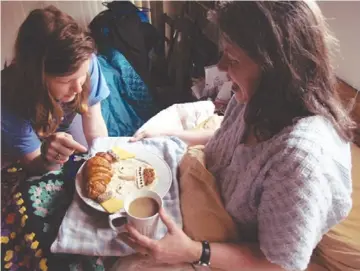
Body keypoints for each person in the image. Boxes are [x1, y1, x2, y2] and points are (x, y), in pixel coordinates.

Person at [127, 1, 355, 270]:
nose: (221, 67)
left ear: (277, 71)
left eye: (233, 59)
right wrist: (171, 134)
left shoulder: (299, 157)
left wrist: (191, 251)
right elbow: (227, 140)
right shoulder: (252, 97)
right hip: (206, 197)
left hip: (239, 251)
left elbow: (278, 265)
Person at [1, 6, 109, 174]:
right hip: (25, 126)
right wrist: (47, 159)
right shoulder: (7, 98)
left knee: (88, 156)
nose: (78, 88)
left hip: (62, 120)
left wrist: (103, 160)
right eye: (66, 81)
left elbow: (93, 122)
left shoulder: (86, 61)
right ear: (37, 78)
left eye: (82, 76)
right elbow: (34, 162)